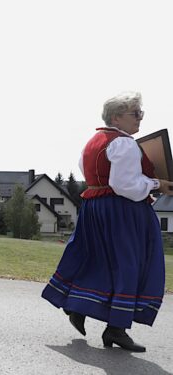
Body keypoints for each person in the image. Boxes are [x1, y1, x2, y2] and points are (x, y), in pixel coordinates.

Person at [41, 92, 171, 352]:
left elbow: (93, 172)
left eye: (140, 113)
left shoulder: (94, 140)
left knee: (99, 260)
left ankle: (78, 306)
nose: (140, 118)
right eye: (135, 113)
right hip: (122, 210)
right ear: (116, 117)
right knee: (129, 265)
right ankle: (116, 328)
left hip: (95, 208)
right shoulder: (124, 143)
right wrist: (157, 183)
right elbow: (124, 186)